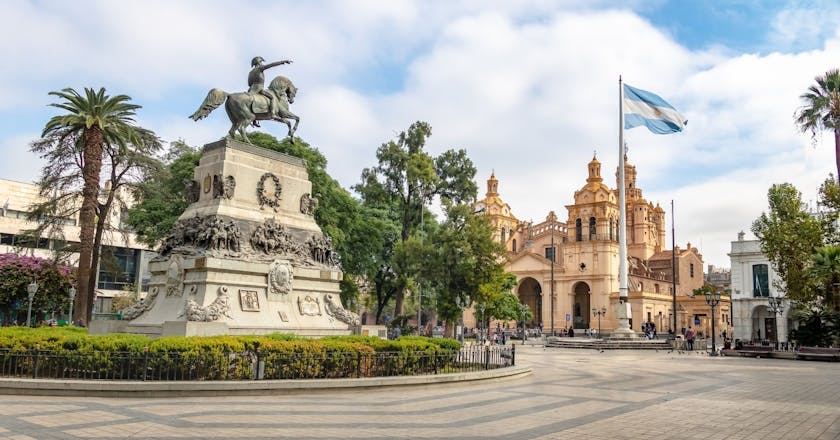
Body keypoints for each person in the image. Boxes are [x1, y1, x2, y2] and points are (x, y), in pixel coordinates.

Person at [247, 56, 292, 126]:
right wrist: (282, 62)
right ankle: (273, 114)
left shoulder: (251, 72)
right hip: (259, 88)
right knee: (272, 98)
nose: (262, 63)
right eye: (261, 62)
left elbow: (249, 83)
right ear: (259, 62)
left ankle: (254, 119)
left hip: (251, 89)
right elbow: (271, 65)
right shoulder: (259, 68)